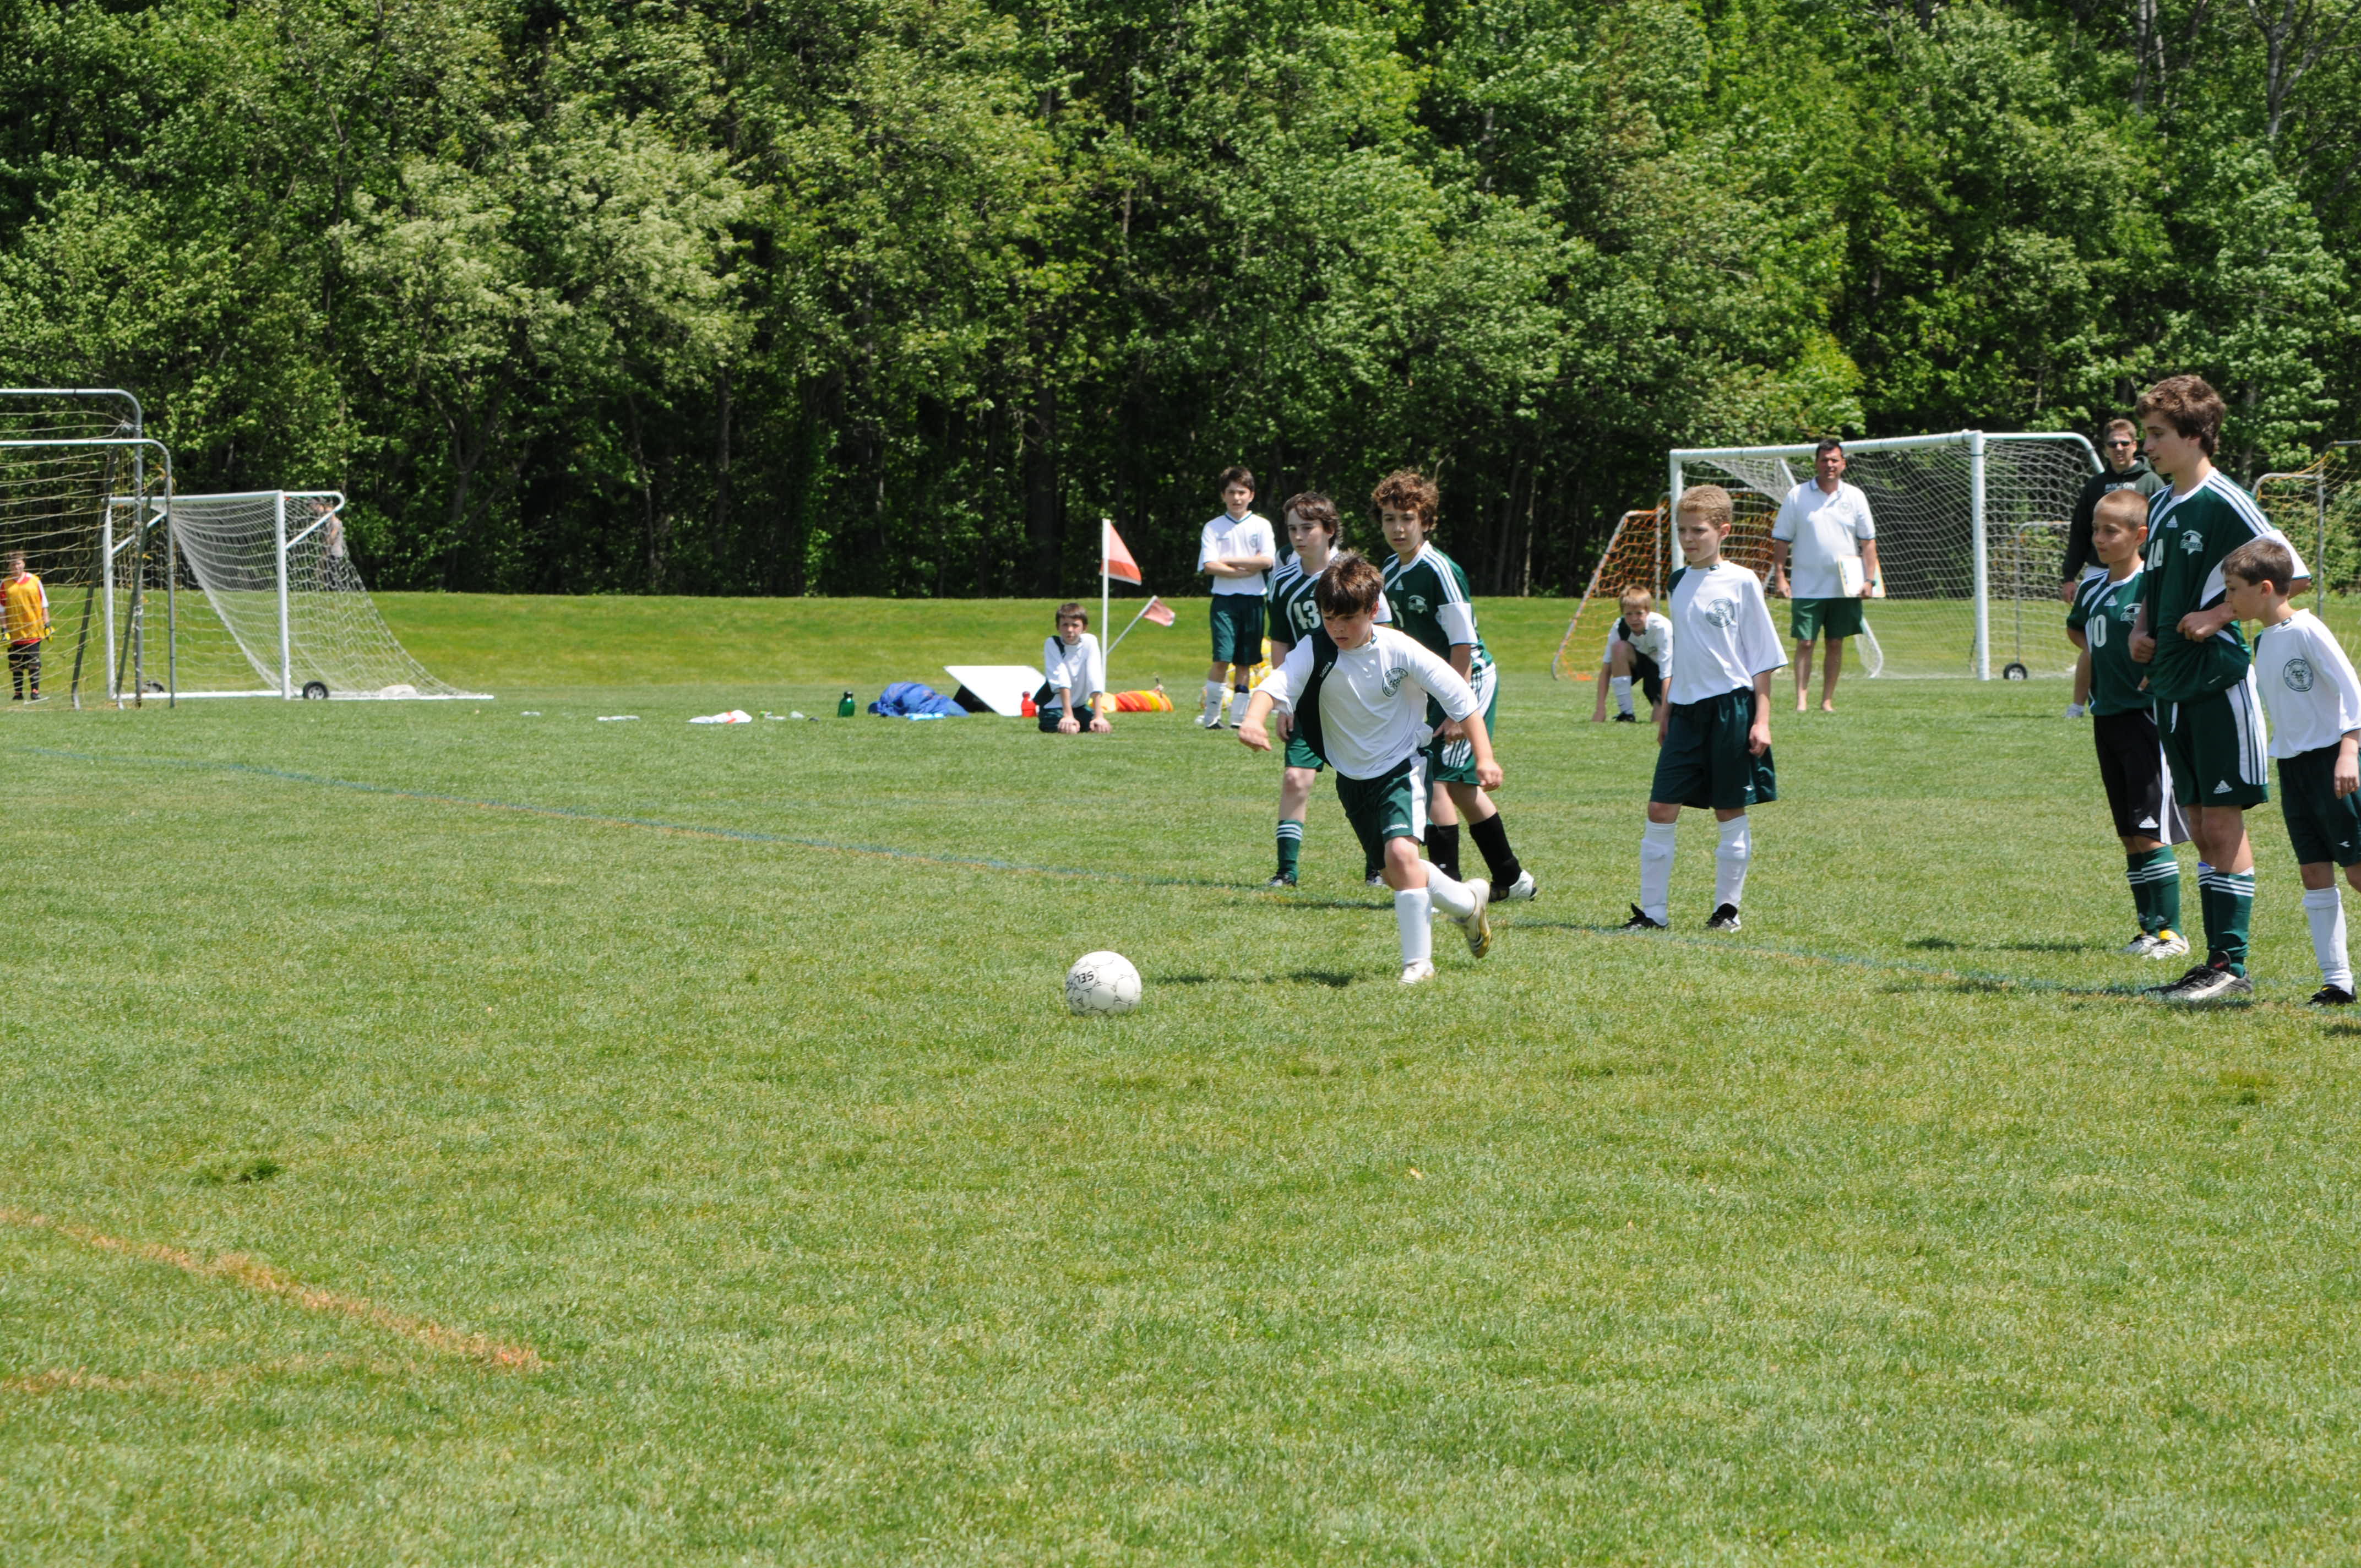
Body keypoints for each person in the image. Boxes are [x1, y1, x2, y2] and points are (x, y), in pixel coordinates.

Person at [2127, 373, 2311, 1005]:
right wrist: (2143, 629)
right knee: (2201, 825)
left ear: (2194, 436)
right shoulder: (2161, 504)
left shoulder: (2225, 500)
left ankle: (2230, 965)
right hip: (2170, 684)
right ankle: (2214, 963)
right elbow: (2155, 585)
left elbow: (2292, 575)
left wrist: (2219, 615)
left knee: (2221, 821)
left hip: (2217, 682)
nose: (2147, 446)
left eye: (2157, 434)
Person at [1237, 552, 1498, 985]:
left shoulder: (1399, 648)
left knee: (1402, 856)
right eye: (1329, 618)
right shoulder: (1315, 649)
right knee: (1398, 875)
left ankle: (1418, 965)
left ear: (1373, 610)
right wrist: (1252, 720)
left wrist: (1485, 757)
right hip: (1353, 778)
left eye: (1349, 619)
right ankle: (1468, 904)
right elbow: (1273, 686)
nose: (1338, 628)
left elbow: (1460, 697)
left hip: (1403, 766)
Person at [1622, 485, 1783, 932]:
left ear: (1723, 531)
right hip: (1686, 714)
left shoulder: (1742, 581)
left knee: (1728, 808)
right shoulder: (1676, 582)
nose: (1689, 539)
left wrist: (1762, 720)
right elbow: (1682, 653)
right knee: (1660, 807)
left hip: (1732, 709)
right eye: (1682, 530)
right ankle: (1653, 914)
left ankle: (1727, 911)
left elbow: (1762, 658)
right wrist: (1668, 708)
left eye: (1699, 531)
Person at [1375, 470, 1537, 902]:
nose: (1398, 528)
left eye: (1407, 518)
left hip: (1468, 681)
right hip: (1433, 686)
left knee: (1438, 781)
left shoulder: (1440, 570)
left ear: (1426, 521)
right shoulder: (1389, 570)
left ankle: (1444, 886)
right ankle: (1513, 879)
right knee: (1462, 788)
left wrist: (1455, 711)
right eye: (1389, 519)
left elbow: (1462, 645)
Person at [2224, 537, 2361, 1005]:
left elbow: (2352, 690)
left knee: (2357, 872)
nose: (2229, 599)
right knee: (2313, 871)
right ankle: (2337, 982)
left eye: (2234, 589)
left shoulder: (2307, 629)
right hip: (2294, 767)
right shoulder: (2263, 640)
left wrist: (2349, 752)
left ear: (2265, 588)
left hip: (2333, 763)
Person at [2065, 490, 2189, 961]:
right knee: (2128, 832)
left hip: (2145, 718)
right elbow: (2078, 627)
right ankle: (2147, 930)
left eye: (2110, 531)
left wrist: (2155, 662)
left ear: (2140, 536)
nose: (2099, 539)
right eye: (2096, 529)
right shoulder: (2093, 586)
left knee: (2150, 827)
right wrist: (2101, 652)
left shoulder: (2152, 586)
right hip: (2108, 716)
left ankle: (2173, 934)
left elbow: (2176, 636)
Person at [1263, 491, 1390, 888]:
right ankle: (1287, 871)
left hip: (1355, 696)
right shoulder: (1282, 579)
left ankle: (1378, 867)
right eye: (1292, 529)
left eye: (1308, 528)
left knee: (1367, 783)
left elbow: (1384, 632)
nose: (1299, 537)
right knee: (1295, 779)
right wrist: (1285, 702)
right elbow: (1280, 641)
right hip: (1309, 698)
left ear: (1330, 529)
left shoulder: (1355, 576)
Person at [2060, 417, 2169, 718]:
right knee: (2096, 638)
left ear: (2135, 445)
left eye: (2124, 443)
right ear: (2105, 448)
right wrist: (2069, 575)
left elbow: (2162, 530)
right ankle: (2079, 704)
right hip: (2101, 572)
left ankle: (2142, 689)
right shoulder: (2095, 485)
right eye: (2112, 444)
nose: (2119, 448)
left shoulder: (2151, 481)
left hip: (2139, 569)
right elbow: (2080, 532)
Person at [1767, 439, 1878, 714]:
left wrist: (1869, 580)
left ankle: (1827, 700)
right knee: (1805, 642)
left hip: (1845, 586)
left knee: (1836, 642)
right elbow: (1782, 539)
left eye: (1834, 460)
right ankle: (1801, 701)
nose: (1829, 465)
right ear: (1816, 463)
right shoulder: (1797, 495)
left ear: (1843, 464)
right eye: (1824, 460)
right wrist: (1780, 577)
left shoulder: (1855, 496)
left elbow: (1868, 542)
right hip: (1806, 585)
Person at [1196, 466, 1277, 728]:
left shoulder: (1261, 525)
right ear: (1223, 495)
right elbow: (1210, 565)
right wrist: (1244, 568)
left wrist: (1229, 560)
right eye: (1231, 492)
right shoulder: (1213, 527)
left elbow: (1267, 560)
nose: (1237, 498)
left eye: (1242, 492)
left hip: (1254, 600)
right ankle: (1212, 717)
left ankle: (1239, 718)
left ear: (1251, 495)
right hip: (1224, 600)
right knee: (1222, 657)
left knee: (1246, 661)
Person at [1589, 586, 1673, 723]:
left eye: (1639, 613)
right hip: (1642, 664)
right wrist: (1600, 709)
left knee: (1658, 721)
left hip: (1666, 673)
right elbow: (1606, 670)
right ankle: (1627, 714)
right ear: (1623, 613)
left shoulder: (1662, 628)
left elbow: (1667, 674)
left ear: (1648, 611)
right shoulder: (1619, 627)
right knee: (1619, 648)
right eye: (1629, 614)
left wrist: (1665, 714)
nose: (1634, 619)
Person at [1038, 602, 1110, 734]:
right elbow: (1061, 678)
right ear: (1058, 627)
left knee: (1099, 729)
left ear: (1084, 627)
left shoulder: (1090, 642)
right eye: (1065, 625)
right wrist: (1068, 716)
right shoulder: (1053, 644)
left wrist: (1099, 716)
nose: (1070, 630)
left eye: (1075, 625)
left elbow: (1094, 675)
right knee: (1070, 730)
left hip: (1079, 707)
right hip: (1054, 707)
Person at [2, 552, 50, 702]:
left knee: (34, 663)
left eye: (19, 563)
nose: (16, 567)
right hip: (14, 632)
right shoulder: (4, 584)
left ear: (23, 563)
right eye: (13, 565)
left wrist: (47, 624)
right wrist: (4, 629)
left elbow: (44, 604)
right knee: (16, 664)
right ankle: (18, 694)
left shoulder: (35, 581)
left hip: (34, 630)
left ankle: (35, 692)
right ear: (8, 567)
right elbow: (2, 610)